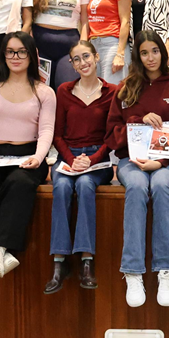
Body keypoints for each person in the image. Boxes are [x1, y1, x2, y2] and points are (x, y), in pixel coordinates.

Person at [105, 30, 169, 307]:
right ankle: (132, 271)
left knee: (162, 184)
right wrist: (139, 121)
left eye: (155, 51)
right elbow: (111, 134)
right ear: (137, 56)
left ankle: (166, 270)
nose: (150, 57)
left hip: (168, 164)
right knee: (139, 185)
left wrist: (160, 162)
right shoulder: (126, 87)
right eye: (144, 52)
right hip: (132, 162)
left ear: (162, 54)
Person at [0, 32, 55, 278]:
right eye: (10, 51)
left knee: (20, 183)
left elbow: (46, 129)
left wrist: (38, 156)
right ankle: (0, 251)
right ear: (3, 55)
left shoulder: (44, 91)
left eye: (22, 51)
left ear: (31, 55)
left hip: (28, 155)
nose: (16, 57)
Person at [46, 40, 117, 294]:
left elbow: (113, 136)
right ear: (72, 64)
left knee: (86, 185)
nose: (82, 63)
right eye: (76, 59)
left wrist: (92, 159)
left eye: (86, 56)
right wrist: (71, 159)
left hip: (98, 160)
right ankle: (59, 262)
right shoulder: (63, 91)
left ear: (97, 58)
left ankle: (87, 260)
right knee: (62, 186)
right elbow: (57, 135)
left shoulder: (112, 91)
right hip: (68, 158)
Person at [31, 0, 90, 89]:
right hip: (40, 47)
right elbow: (27, 18)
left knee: (66, 91)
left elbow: (84, 22)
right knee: (41, 92)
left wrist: (82, 47)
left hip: (69, 48)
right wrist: (31, 46)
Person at [87, 0, 132, 84]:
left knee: (112, 94)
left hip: (112, 44)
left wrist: (120, 54)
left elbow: (125, 21)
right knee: (97, 92)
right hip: (93, 45)